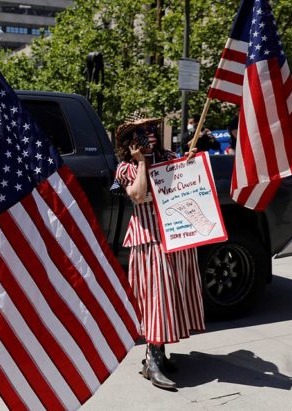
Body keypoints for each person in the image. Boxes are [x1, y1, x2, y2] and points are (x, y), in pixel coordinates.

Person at [114, 116, 205, 390]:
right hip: (149, 240)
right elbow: (138, 195)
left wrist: (191, 161)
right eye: (141, 131)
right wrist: (142, 162)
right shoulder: (126, 168)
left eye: (151, 129)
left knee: (169, 298)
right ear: (130, 140)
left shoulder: (169, 158)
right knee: (156, 299)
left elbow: (189, 183)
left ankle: (158, 356)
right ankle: (153, 362)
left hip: (175, 236)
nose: (149, 134)